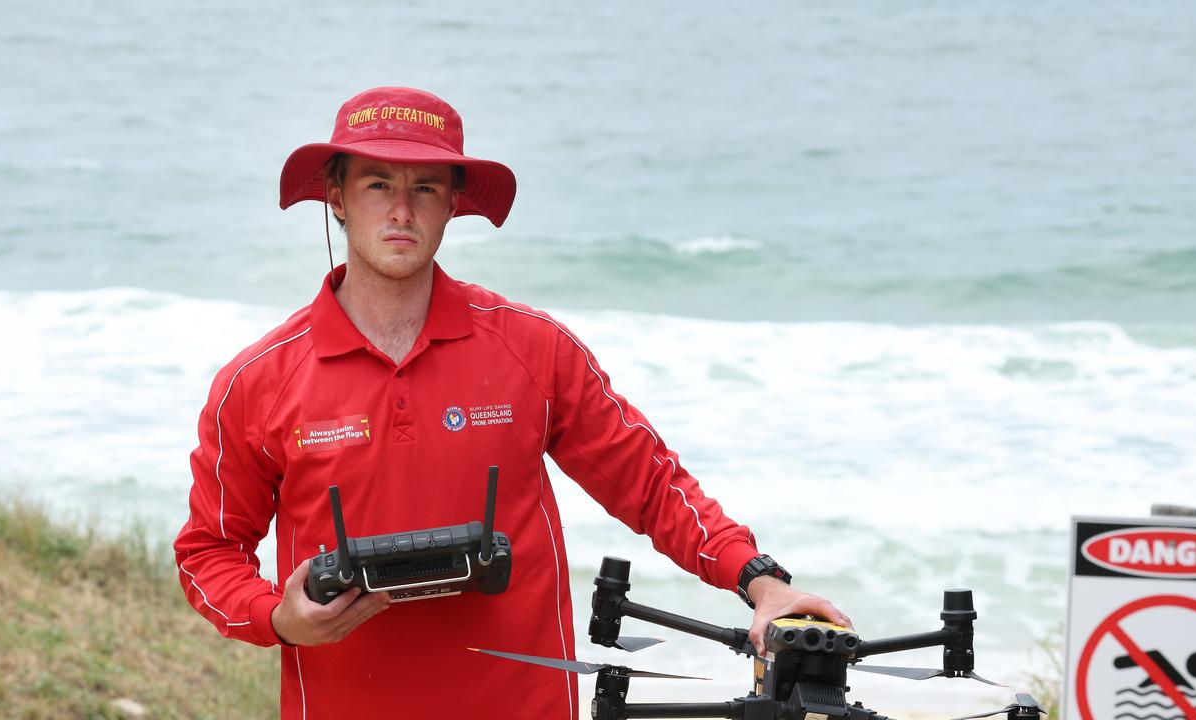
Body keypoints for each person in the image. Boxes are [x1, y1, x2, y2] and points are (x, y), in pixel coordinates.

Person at [174, 86, 849, 719]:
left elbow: (650, 484)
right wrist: (274, 618)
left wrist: (761, 580)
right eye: (378, 184)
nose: (402, 210)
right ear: (337, 197)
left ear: (453, 202)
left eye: (425, 187)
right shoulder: (260, 381)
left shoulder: (532, 349)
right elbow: (208, 553)